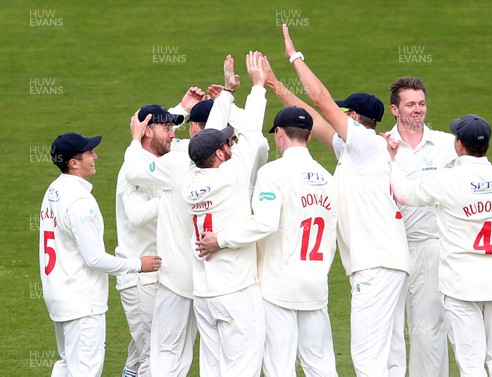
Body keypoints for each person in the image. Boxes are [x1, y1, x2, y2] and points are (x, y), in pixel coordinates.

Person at [386, 77, 492, 377]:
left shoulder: (445, 182)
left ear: (458, 145)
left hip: (460, 284)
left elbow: (404, 194)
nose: (418, 109)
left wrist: (392, 161)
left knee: (471, 361)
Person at [280, 25, 411, 376]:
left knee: (368, 360)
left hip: (376, 267)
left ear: (353, 118)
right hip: (388, 264)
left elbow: (321, 98)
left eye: (344, 114)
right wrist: (275, 87)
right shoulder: (356, 150)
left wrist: (295, 56)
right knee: (389, 359)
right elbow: (312, 117)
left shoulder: (366, 145)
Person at [198, 106, 339, 377]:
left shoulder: (272, 173)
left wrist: (222, 240)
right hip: (316, 285)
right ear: (308, 137)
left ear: (281, 134)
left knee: (278, 368)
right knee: (320, 366)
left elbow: (264, 223)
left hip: (278, 287)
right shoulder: (328, 178)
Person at [39, 132, 161, 377]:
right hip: (83, 303)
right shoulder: (81, 202)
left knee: (66, 365)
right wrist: (138, 264)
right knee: (86, 371)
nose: (95, 156)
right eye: (89, 153)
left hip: (59, 296)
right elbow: (94, 258)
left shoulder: (54, 190)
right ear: (74, 163)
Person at [181, 50, 268, 377]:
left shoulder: (190, 179)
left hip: (204, 293)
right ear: (219, 154)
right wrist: (256, 87)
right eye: (224, 144)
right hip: (234, 291)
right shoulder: (232, 176)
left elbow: (207, 137)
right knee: (242, 368)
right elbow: (254, 132)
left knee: (213, 368)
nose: (230, 144)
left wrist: (229, 93)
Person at [115, 98, 197, 377]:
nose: (174, 134)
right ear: (148, 133)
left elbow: (169, 131)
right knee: (155, 351)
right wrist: (174, 197)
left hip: (158, 272)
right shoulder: (133, 170)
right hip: (140, 276)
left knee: (142, 352)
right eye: (167, 128)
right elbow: (136, 215)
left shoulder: (161, 159)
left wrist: (183, 109)